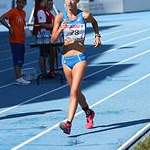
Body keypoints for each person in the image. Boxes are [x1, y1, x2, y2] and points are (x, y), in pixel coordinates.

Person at [51, 0, 101, 134]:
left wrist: (97, 35)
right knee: (77, 92)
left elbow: (94, 22)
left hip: (80, 58)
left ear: (77, 1)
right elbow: (53, 40)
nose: (69, 1)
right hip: (66, 59)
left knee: (73, 92)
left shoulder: (84, 16)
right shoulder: (60, 17)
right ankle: (89, 112)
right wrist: (60, 28)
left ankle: (68, 122)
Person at [0, 0, 31, 85]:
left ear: (25, 4)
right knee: (17, 59)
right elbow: (1, 18)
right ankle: (18, 79)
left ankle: (19, 76)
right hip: (15, 40)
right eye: (19, 2)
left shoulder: (23, 13)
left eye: (22, 2)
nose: (21, 4)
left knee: (21, 59)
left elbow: (21, 25)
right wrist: (9, 28)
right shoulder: (13, 11)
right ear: (16, 3)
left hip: (21, 40)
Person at [33, 0, 55, 78]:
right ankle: (44, 73)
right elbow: (42, 24)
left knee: (49, 53)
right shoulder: (40, 10)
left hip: (47, 35)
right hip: (42, 35)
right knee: (43, 53)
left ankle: (50, 71)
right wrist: (53, 26)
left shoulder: (44, 10)